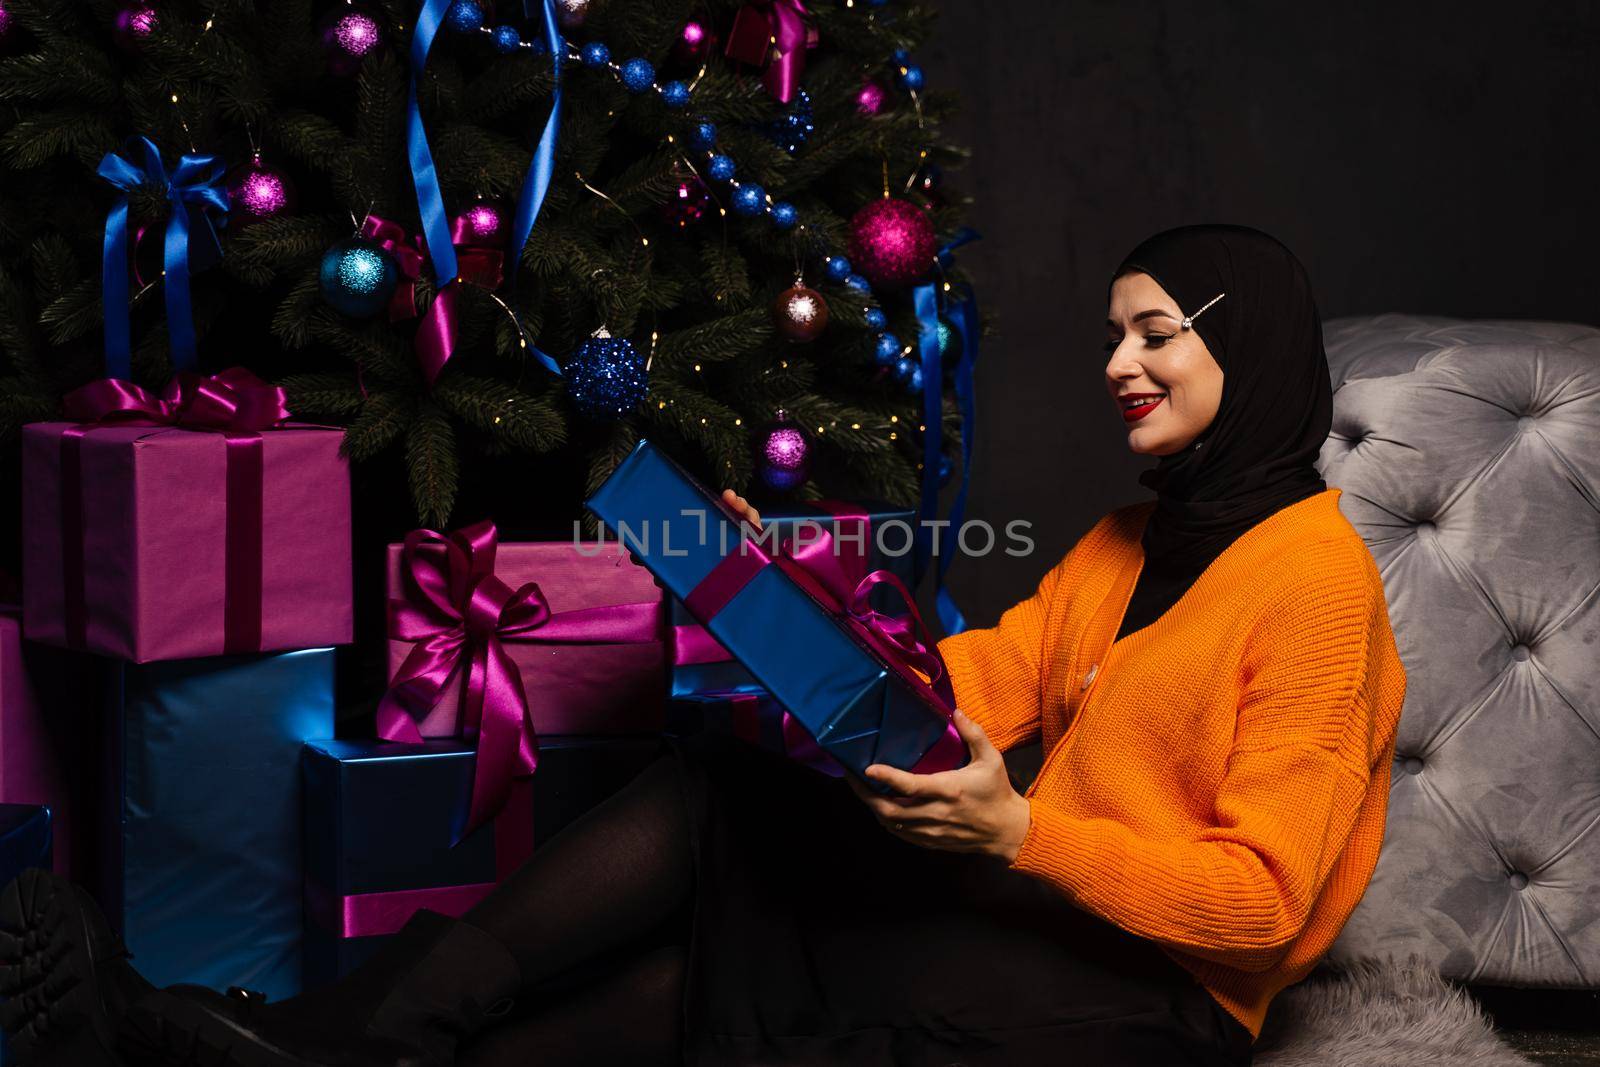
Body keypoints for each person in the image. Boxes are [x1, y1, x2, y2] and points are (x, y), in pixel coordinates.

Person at [0, 224, 1406, 1067]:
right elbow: (985, 679)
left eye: (1155, 335)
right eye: (1115, 335)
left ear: (1254, 351)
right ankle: (322, 1045)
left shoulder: (1316, 590)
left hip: (1153, 1006)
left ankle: (287, 1046)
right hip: (1038, 913)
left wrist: (1022, 836)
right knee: (728, 815)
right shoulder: (1128, 538)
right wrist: (782, 591)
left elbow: (1263, 904)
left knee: (722, 980)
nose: (1118, 367)